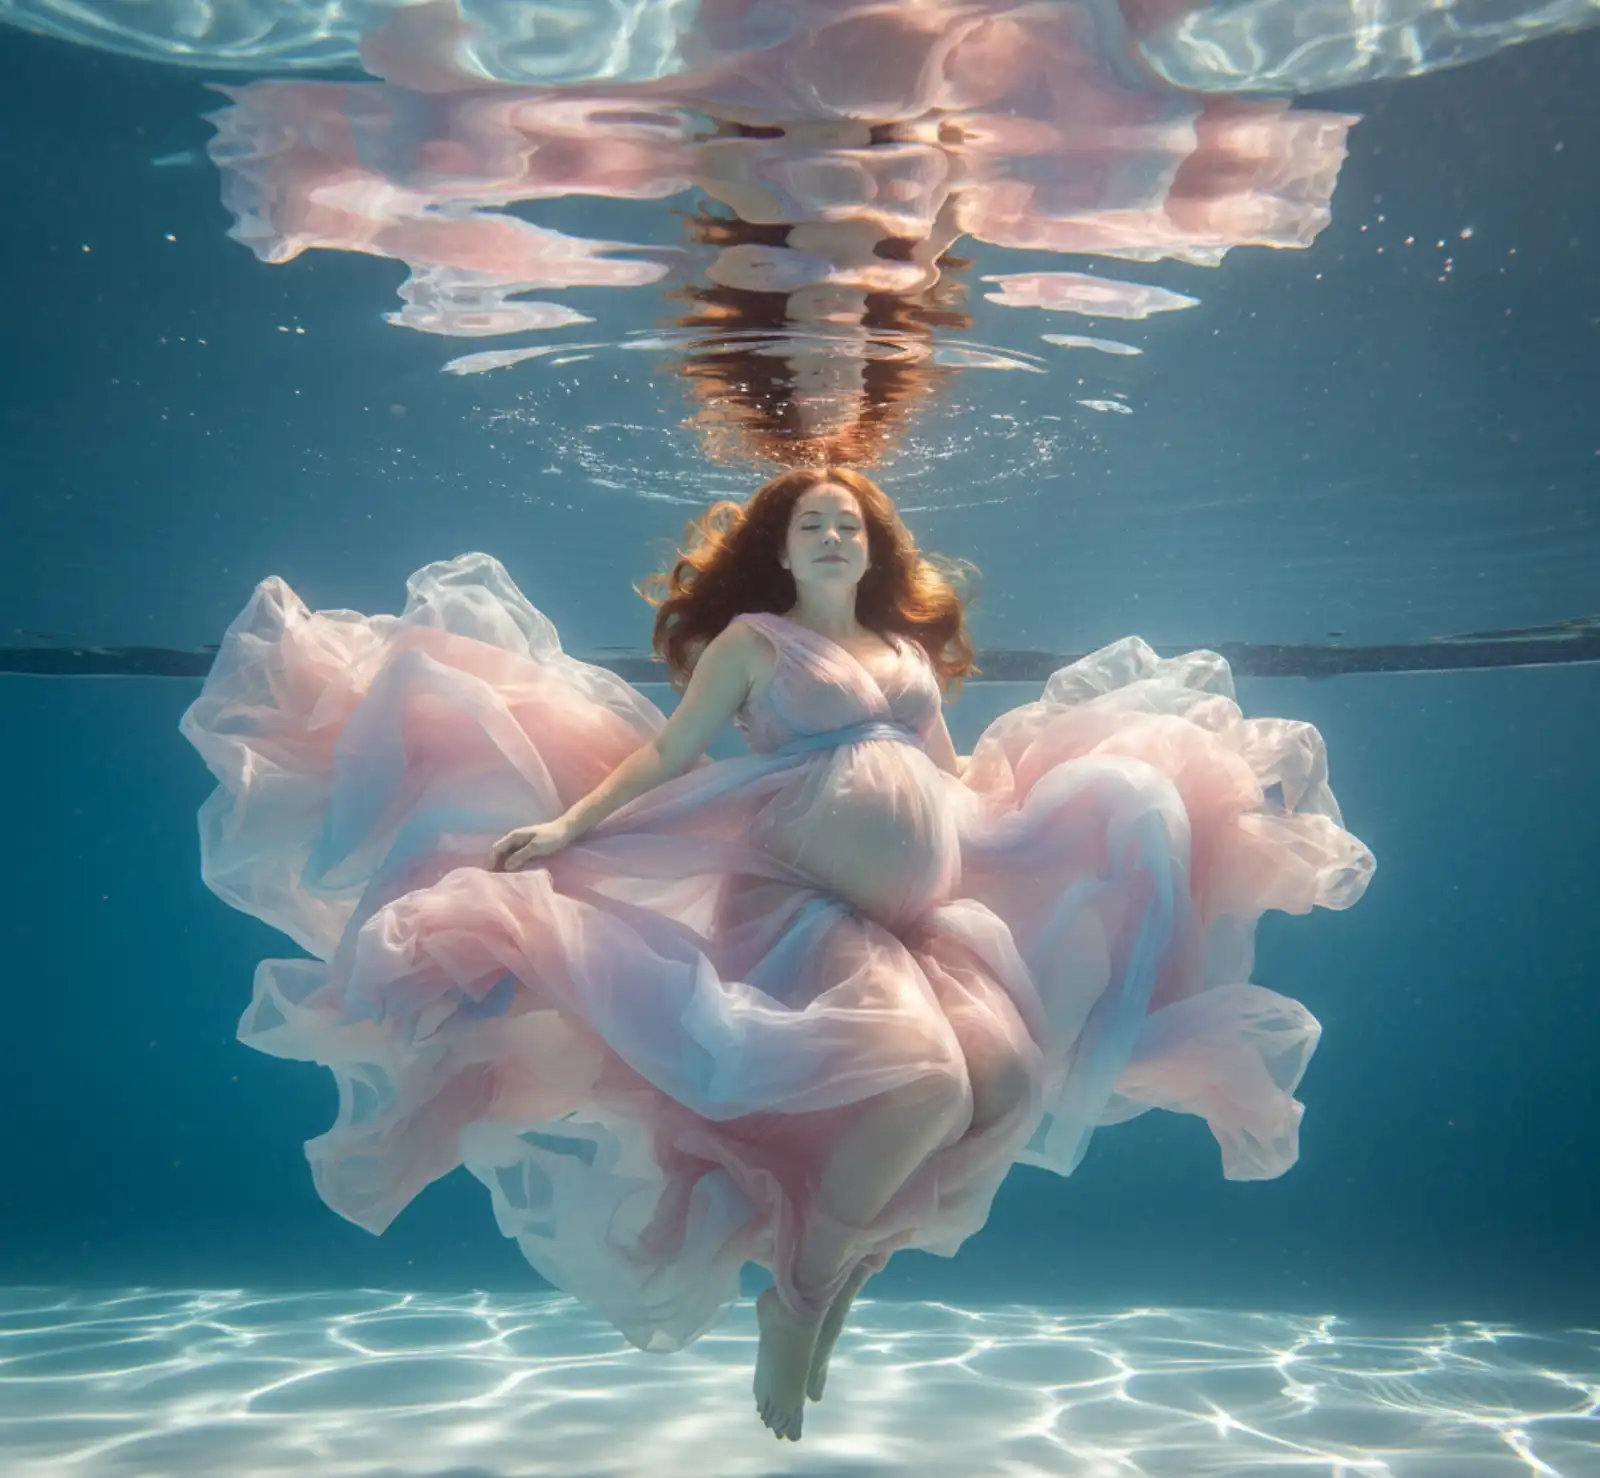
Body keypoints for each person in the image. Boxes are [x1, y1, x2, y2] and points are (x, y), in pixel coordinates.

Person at [181, 466, 1373, 1443]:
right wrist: (569, 825)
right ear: (783, 548)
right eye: (812, 520)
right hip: (795, 908)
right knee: (918, 1085)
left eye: (849, 520)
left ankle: (840, 1267)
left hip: (921, 926)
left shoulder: (905, 656)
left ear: (872, 547)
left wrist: (1073, 808)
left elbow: (946, 780)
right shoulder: (751, 644)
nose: (833, 531)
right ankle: (794, 1304)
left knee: (1002, 1089)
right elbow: (670, 757)